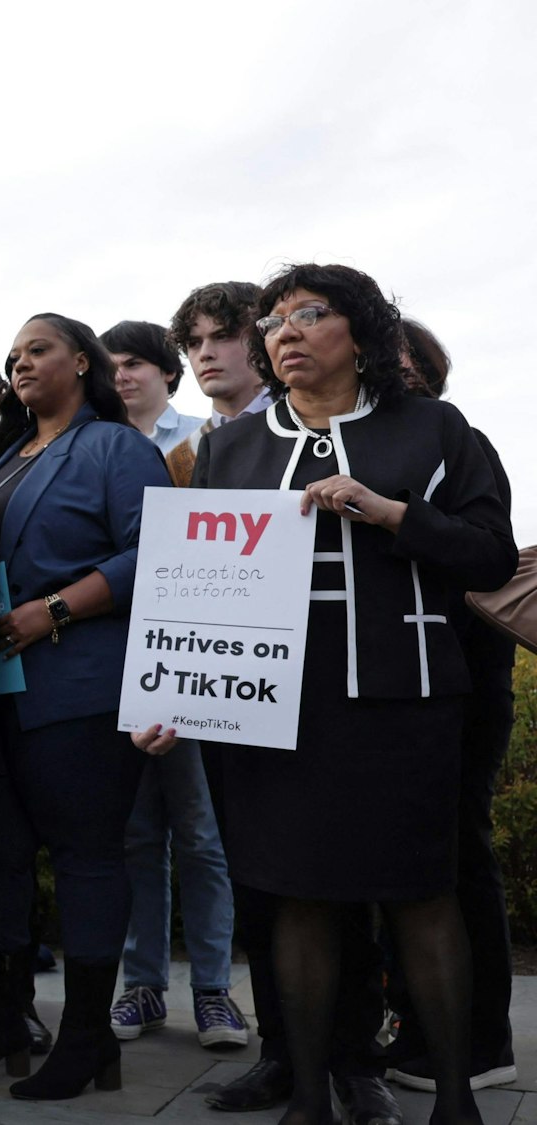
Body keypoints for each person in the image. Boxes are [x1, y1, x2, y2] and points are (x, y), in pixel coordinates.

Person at [173, 264, 514, 1125]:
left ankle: (450, 1099)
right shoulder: (229, 448)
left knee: (420, 893)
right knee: (299, 893)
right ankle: (311, 1097)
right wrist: (173, 692)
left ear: (360, 334)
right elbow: (198, 584)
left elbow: (490, 555)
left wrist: (389, 511)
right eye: (274, 322)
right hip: (274, 707)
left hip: (404, 698)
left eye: (308, 315)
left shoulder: (435, 429)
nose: (284, 333)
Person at [0, 314, 168, 1101]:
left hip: (79, 684)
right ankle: (0, 1020)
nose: (19, 362)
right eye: (12, 355)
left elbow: (153, 549)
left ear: (82, 361)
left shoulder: (117, 449)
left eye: (37, 349)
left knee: (87, 857)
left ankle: (86, 1036)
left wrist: (52, 609)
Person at [91, 321, 247, 1051]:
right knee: (135, 836)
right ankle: (143, 986)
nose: (121, 375)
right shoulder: (90, 444)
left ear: (165, 373)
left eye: (135, 363)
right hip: (112, 660)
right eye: (110, 364)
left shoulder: (201, 442)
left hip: (192, 658)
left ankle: (214, 991)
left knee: (202, 834)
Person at [383, 318, 518, 1095]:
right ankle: (419, 1021)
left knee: (458, 858)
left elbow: (483, 549)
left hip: (462, 685)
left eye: (402, 361)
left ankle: (478, 1040)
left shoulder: (455, 439)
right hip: (405, 691)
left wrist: (393, 514)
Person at [164, 282, 271, 487]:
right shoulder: (180, 460)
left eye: (222, 336)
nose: (205, 354)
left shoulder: (315, 425)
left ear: (261, 339)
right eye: (194, 343)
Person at [101, 320, 203, 454]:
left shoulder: (205, 434)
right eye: (110, 369)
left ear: (169, 370)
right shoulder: (91, 446)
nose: (119, 377)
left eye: (132, 364)